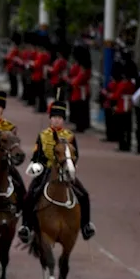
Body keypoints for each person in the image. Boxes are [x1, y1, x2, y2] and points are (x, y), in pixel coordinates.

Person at [17, 103, 94, 245]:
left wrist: (71, 165)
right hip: (46, 170)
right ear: (50, 119)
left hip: (65, 171)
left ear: (63, 120)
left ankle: (86, 225)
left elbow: (76, 154)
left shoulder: (70, 136)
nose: (57, 120)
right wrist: (36, 164)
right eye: (54, 117)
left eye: (59, 118)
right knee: (29, 196)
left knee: (84, 195)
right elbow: (37, 155)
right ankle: (26, 226)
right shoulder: (42, 135)